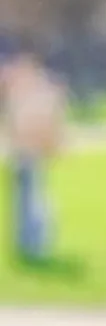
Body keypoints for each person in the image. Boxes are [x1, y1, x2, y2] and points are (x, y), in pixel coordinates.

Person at [0, 52, 68, 262]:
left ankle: (33, 243)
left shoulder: (37, 93)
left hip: (30, 155)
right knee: (28, 201)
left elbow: (45, 125)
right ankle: (30, 243)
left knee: (32, 200)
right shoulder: (28, 93)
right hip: (25, 156)